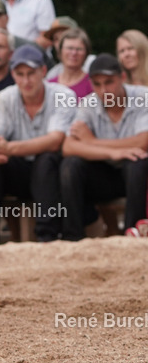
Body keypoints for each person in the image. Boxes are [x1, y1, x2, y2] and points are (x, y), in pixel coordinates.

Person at [0, 45, 76, 244]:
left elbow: (55, 141)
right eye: (20, 74)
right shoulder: (5, 97)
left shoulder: (64, 95)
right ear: (13, 74)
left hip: (52, 172)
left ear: (43, 71)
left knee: (46, 160)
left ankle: (47, 237)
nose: (26, 81)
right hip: (20, 170)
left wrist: (8, 148)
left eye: (31, 73)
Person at [59, 54, 148, 240]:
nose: (103, 90)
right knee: (70, 165)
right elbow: (68, 147)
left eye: (109, 82)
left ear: (122, 77)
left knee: (138, 162)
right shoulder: (88, 103)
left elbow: (143, 142)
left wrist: (91, 142)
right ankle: (72, 237)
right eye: (97, 84)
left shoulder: (142, 97)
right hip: (104, 176)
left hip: (136, 177)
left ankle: (133, 233)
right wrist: (113, 152)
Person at [48, 28, 93, 99]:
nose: (74, 53)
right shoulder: (49, 85)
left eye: (79, 49)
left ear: (86, 53)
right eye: (69, 48)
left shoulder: (93, 84)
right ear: (60, 51)